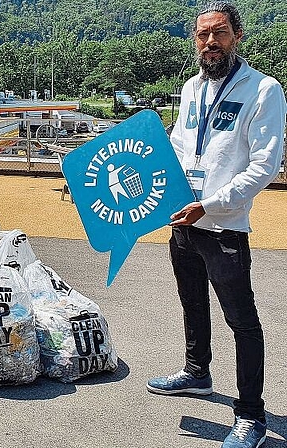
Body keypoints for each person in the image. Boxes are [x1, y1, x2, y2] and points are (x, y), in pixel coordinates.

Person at [146, 3, 286, 448]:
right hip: (183, 220)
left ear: (237, 36)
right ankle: (196, 373)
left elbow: (266, 165)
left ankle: (251, 417)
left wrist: (210, 204)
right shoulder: (190, 88)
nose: (210, 43)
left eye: (219, 33)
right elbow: (178, 145)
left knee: (242, 321)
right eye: (203, 35)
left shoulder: (263, 90)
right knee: (193, 304)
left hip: (223, 225)